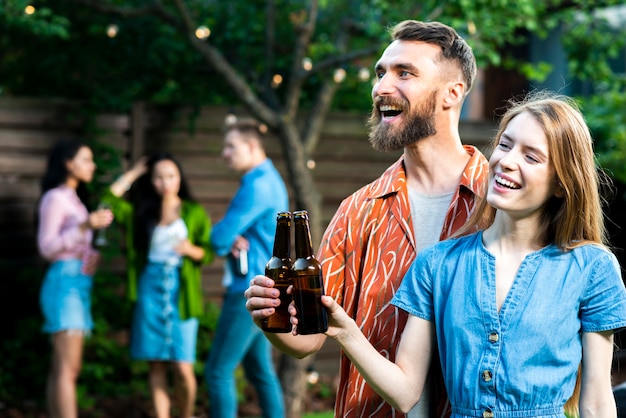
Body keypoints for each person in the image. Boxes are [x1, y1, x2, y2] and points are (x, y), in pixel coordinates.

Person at [316, 93, 626, 416]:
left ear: (561, 184)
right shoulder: (438, 265)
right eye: (505, 145)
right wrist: (345, 331)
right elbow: (406, 391)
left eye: (531, 157)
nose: (506, 161)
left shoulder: (592, 269)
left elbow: (597, 402)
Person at [245, 20, 488, 417]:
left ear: (452, 93)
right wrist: (274, 321)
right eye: (380, 73)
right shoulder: (359, 210)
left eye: (404, 73)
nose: (381, 87)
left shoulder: (498, 204)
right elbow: (311, 336)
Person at [102, 153, 213, 418]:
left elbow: (208, 253)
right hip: (149, 288)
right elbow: (109, 201)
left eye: (171, 176)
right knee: (156, 364)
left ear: (180, 178)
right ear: (151, 180)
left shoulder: (194, 212)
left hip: (182, 292)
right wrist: (132, 173)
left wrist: (190, 250)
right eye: (159, 176)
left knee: (183, 367)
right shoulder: (141, 212)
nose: (165, 182)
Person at [204, 118, 287, 418]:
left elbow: (219, 238)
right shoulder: (270, 179)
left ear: (252, 146)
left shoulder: (257, 185)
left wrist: (223, 237)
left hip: (248, 291)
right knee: (260, 372)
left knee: (217, 371)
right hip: (266, 287)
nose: (225, 153)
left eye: (231, 146)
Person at [37, 139, 114, 418]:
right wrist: (85, 226)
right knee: (68, 369)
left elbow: (73, 244)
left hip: (77, 285)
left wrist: (92, 255)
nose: (92, 165)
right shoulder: (55, 198)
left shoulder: (75, 201)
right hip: (63, 286)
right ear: (68, 164)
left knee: (63, 369)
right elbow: (47, 247)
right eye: (86, 159)